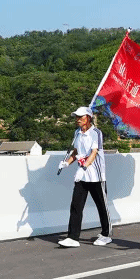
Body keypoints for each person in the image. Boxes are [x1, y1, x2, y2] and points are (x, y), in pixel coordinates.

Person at [57, 106, 112, 248]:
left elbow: (93, 153)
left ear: (88, 118)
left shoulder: (96, 133)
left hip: (96, 176)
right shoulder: (77, 133)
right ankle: (72, 237)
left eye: (81, 117)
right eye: (76, 117)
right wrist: (67, 163)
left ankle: (106, 234)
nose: (78, 120)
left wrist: (84, 167)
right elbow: (76, 152)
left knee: (102, 206)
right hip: (82, 177)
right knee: (76, 205)